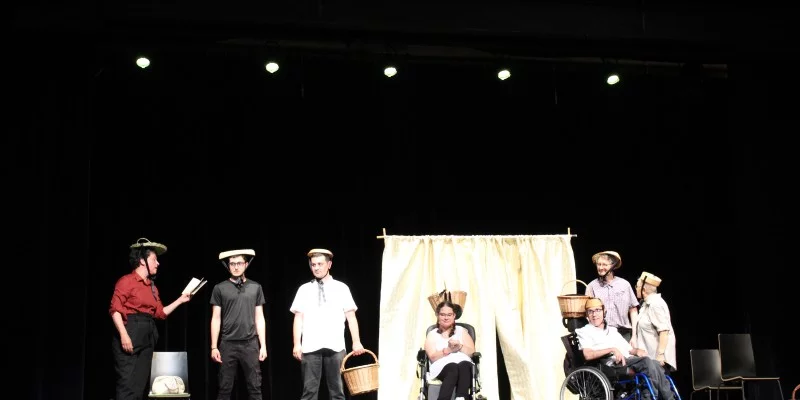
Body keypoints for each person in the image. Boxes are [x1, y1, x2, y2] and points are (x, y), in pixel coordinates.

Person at [109, 238, 192, 400]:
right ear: (142, 261)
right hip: (130, 331)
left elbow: (160, 313)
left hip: (148, 334)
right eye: (154, 259)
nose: (158, 263)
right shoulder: (126, 281)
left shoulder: (152, 287)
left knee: (139, 386)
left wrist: (180, 300)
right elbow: (115, 310)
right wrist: (124, 335)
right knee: (127, 384)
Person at [290, 248, 365, 400]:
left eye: (320, 264)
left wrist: (356, 341)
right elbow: (298, 318)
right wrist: (297, 344)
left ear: (329, 264)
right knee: (309, 392)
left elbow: (351, 317)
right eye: (313, 265)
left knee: (337, 391)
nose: (316, 268)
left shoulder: (341, 288)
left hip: (335, 345)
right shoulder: (304, 289)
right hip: (310, 346)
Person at [576, 298, 675, 400]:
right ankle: (648, 397)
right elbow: (588, 355)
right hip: (611, 364)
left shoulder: (612, 330)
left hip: (628, 359)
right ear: (587, 314)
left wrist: (637, 351)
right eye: (590, 311)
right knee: (646, 362)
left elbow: (629, 349)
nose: (594, 314)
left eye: (597, 310)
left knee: (655, 364)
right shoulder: (585, 331)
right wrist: (611, 349)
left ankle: (670, 398)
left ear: (603, 311)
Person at [210, 249, 268, 400]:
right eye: (232, 264)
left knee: (255, 387)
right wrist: (214, 346)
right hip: (228, 344)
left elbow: (259, 318)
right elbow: (216, 318)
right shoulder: (219, 288)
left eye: (239, 263)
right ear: (228, 266)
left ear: (246, 264)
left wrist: (263, 345)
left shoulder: (255, 287)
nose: (236, 267)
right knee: (224, 388)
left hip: (250, 344)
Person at [585, 250, 640, 344]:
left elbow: (633, 310)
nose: (600, 267)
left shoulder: (624, 285)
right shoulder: (592, 286)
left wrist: (634, 336)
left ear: (612, 266)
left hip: (624, 334)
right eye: (598, 264)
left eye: (604, 264)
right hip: (602, 334)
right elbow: (587, 314)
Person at [424, 300, 476, 400]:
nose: (446, 317)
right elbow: (432, 356)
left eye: (449, 315)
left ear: (454, 316)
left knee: (465, 365)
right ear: (438, 316)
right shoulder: (432, 334)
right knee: (453, 367)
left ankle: (461, 398)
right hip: (443, 367)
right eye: (443, 314)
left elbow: (472, 353)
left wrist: (459, 346)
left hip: (464, 365)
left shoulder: (462, 331)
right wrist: (448, 350)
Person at [634, 271, 677, 371]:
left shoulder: (656, 304)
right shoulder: (646, 304)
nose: (636, 288)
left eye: (637, 286)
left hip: (658, 361)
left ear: (643, 289)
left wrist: (660, 355)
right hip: (649, 359)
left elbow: (664, 331)